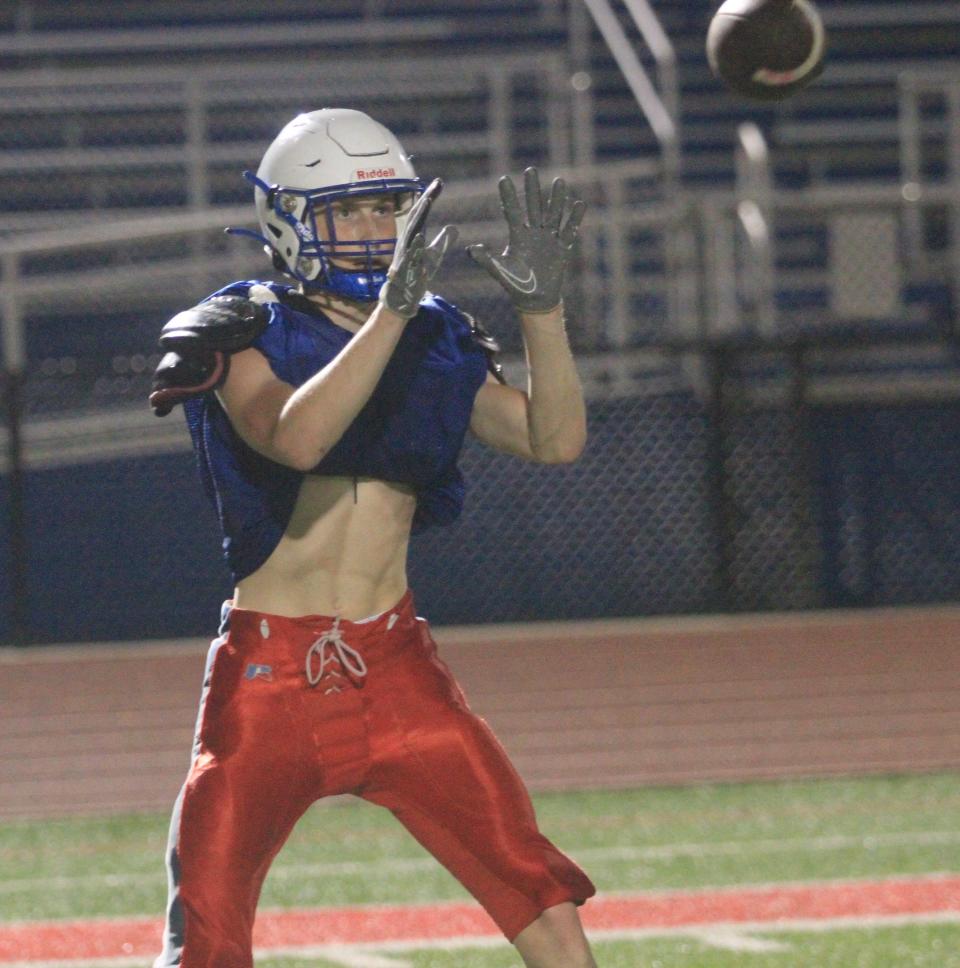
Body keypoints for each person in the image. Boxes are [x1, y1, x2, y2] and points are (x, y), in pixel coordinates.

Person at [150, 107, 596, 968]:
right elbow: (295, 437)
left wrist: (543, 312)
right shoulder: (240, 325)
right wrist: (390, 315)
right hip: (268, 674)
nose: (370, 230)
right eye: (344, 213)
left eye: (385, 208)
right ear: (288, 220)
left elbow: (555, 439)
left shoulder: (434, 333)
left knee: (533, 886)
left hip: (396, 668)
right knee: (207, 930)